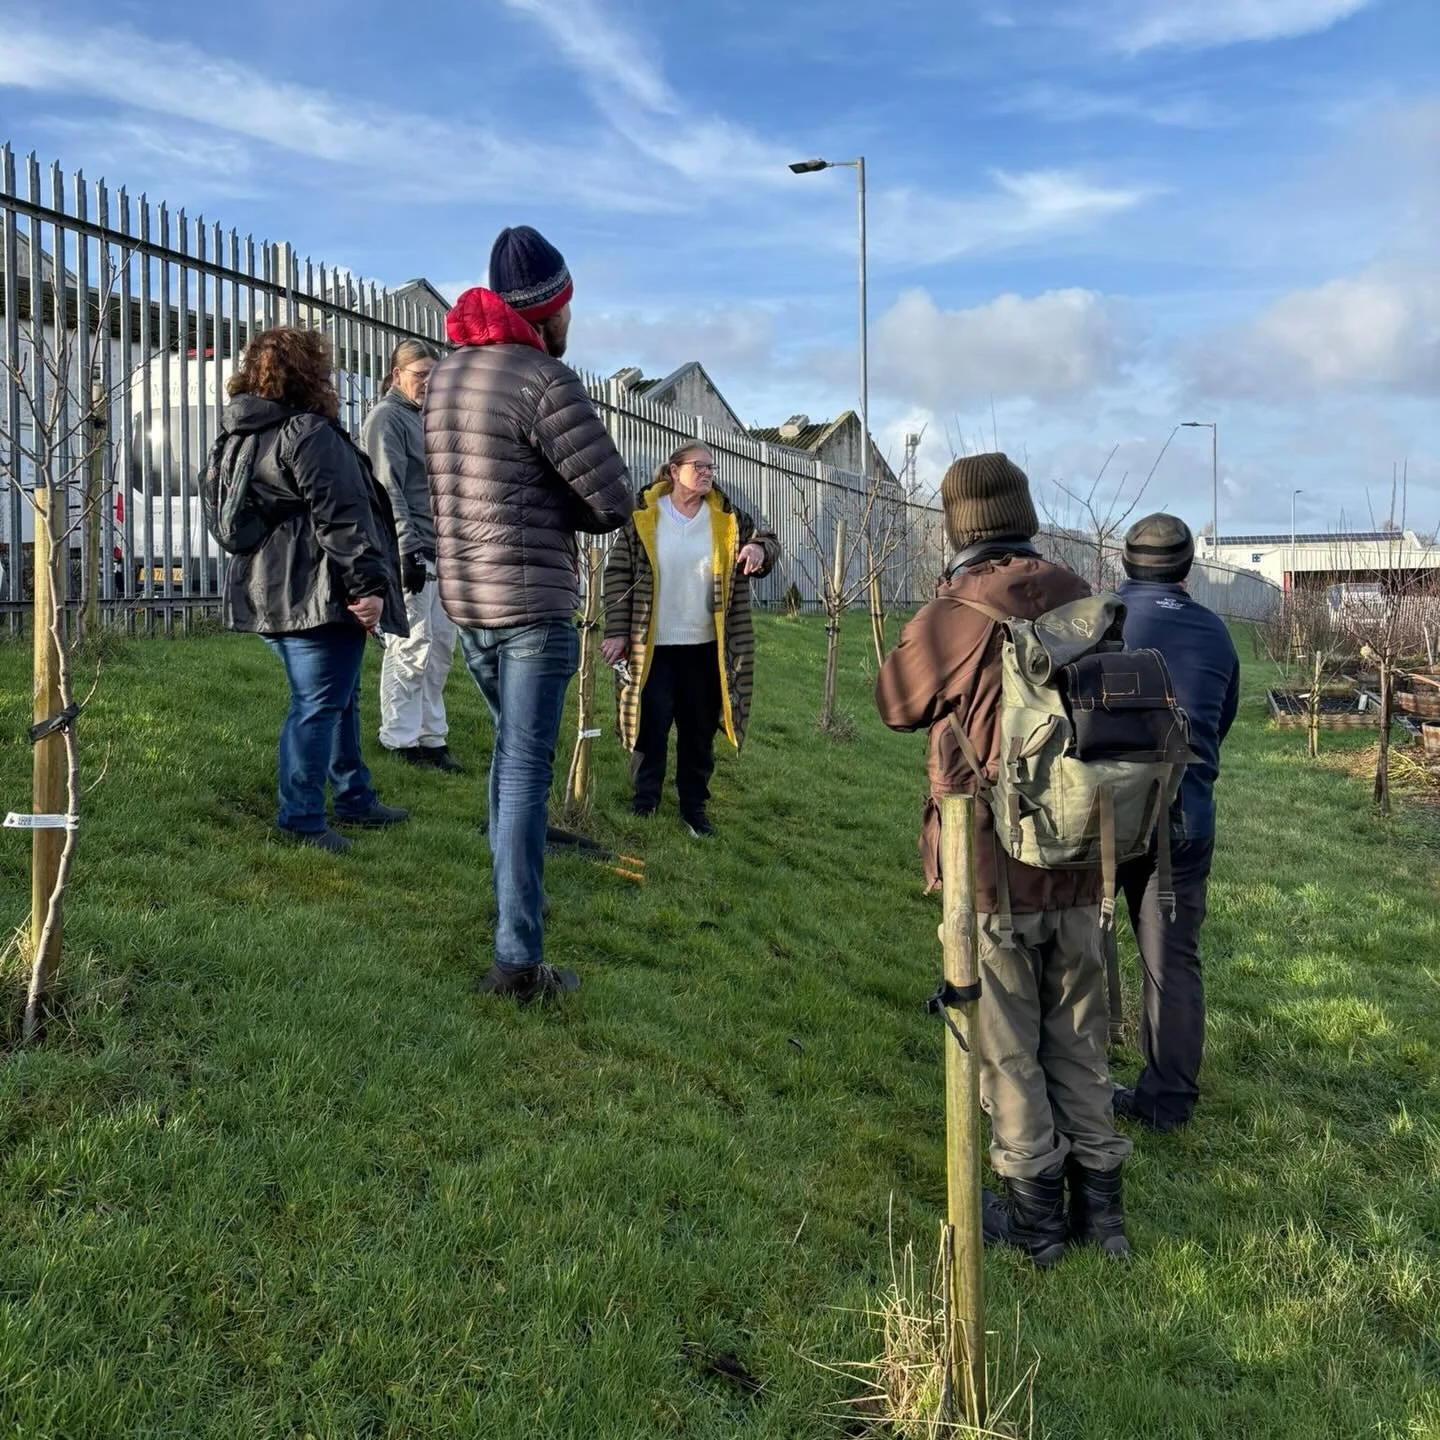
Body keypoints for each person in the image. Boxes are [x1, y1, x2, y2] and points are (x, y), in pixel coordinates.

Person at [876, 452, 1131, 1265]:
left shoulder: (953, 614)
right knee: (1082, 1038)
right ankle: (1104, 1214)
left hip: (991, 867)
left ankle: (1036, 1222)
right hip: (1086, 856)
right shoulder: (1082, 597)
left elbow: (894, 705)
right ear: (1023, 513)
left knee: (1009, 1045)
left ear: (958, 526)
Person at [423, 225, 633, 1004]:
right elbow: (610, 499)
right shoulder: (545, 382)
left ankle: (523, 899)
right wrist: (555, 510)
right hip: (534, 606)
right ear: (554, 309)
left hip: (467, 601)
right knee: (522, 772)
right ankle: (518, 961)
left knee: (509, 759)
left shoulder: (445, 378)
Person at [223, 326, 410, 853]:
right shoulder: (308, 433)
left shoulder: (239, 432)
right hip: (315, 591)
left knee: (338, 698)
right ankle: (301, 819)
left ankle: (354, 796)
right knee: (317, 705)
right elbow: (343, 517)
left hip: (268, 588)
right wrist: (369, 586)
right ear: (309, 374)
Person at [1113, 514, 1240, 1132]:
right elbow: (1223, 719)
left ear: (1126, 563)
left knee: (1077, 950)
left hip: (1101, 817)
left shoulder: (1098, 622)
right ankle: (1167, 1103)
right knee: (1172, 962)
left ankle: (1067, 1080)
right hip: (1185, 818)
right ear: (1187, 568)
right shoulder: (1216, 634)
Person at [600, 442, 779, 837]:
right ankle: (644, 801)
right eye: (698, 466)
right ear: (673, 471)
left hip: (705, 649)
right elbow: (617, 576)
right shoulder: (644, 516)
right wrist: (616, 631)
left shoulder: (727, 518)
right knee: (650, 723)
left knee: (698, 731)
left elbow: (770, 541)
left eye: (711, 467)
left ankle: (694, 807)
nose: (707, 473)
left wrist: (757, 548)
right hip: (654, 646)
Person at [361, 339, 462, 773]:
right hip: (414, 547)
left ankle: (431, 736)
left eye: (433, 375)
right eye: (420, 375)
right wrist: (406, 551)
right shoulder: (387, 418)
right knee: (411, 643)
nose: (427, 383)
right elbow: (388, 489)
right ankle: (399, 738)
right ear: (396, 374)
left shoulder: (430, 420)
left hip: (444, 548)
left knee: (440, 647)